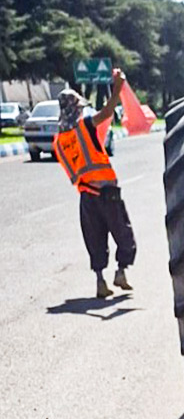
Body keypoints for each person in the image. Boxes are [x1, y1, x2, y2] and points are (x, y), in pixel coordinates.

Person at [54, 69, 137, 299]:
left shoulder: (59, 141)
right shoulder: (85, 127)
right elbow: (107, 112)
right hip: (107, 192)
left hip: (86, 197)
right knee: (124, 235)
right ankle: (120, 272)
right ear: (76, 108)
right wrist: (118, 87)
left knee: (95, 239)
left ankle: (100, 281)